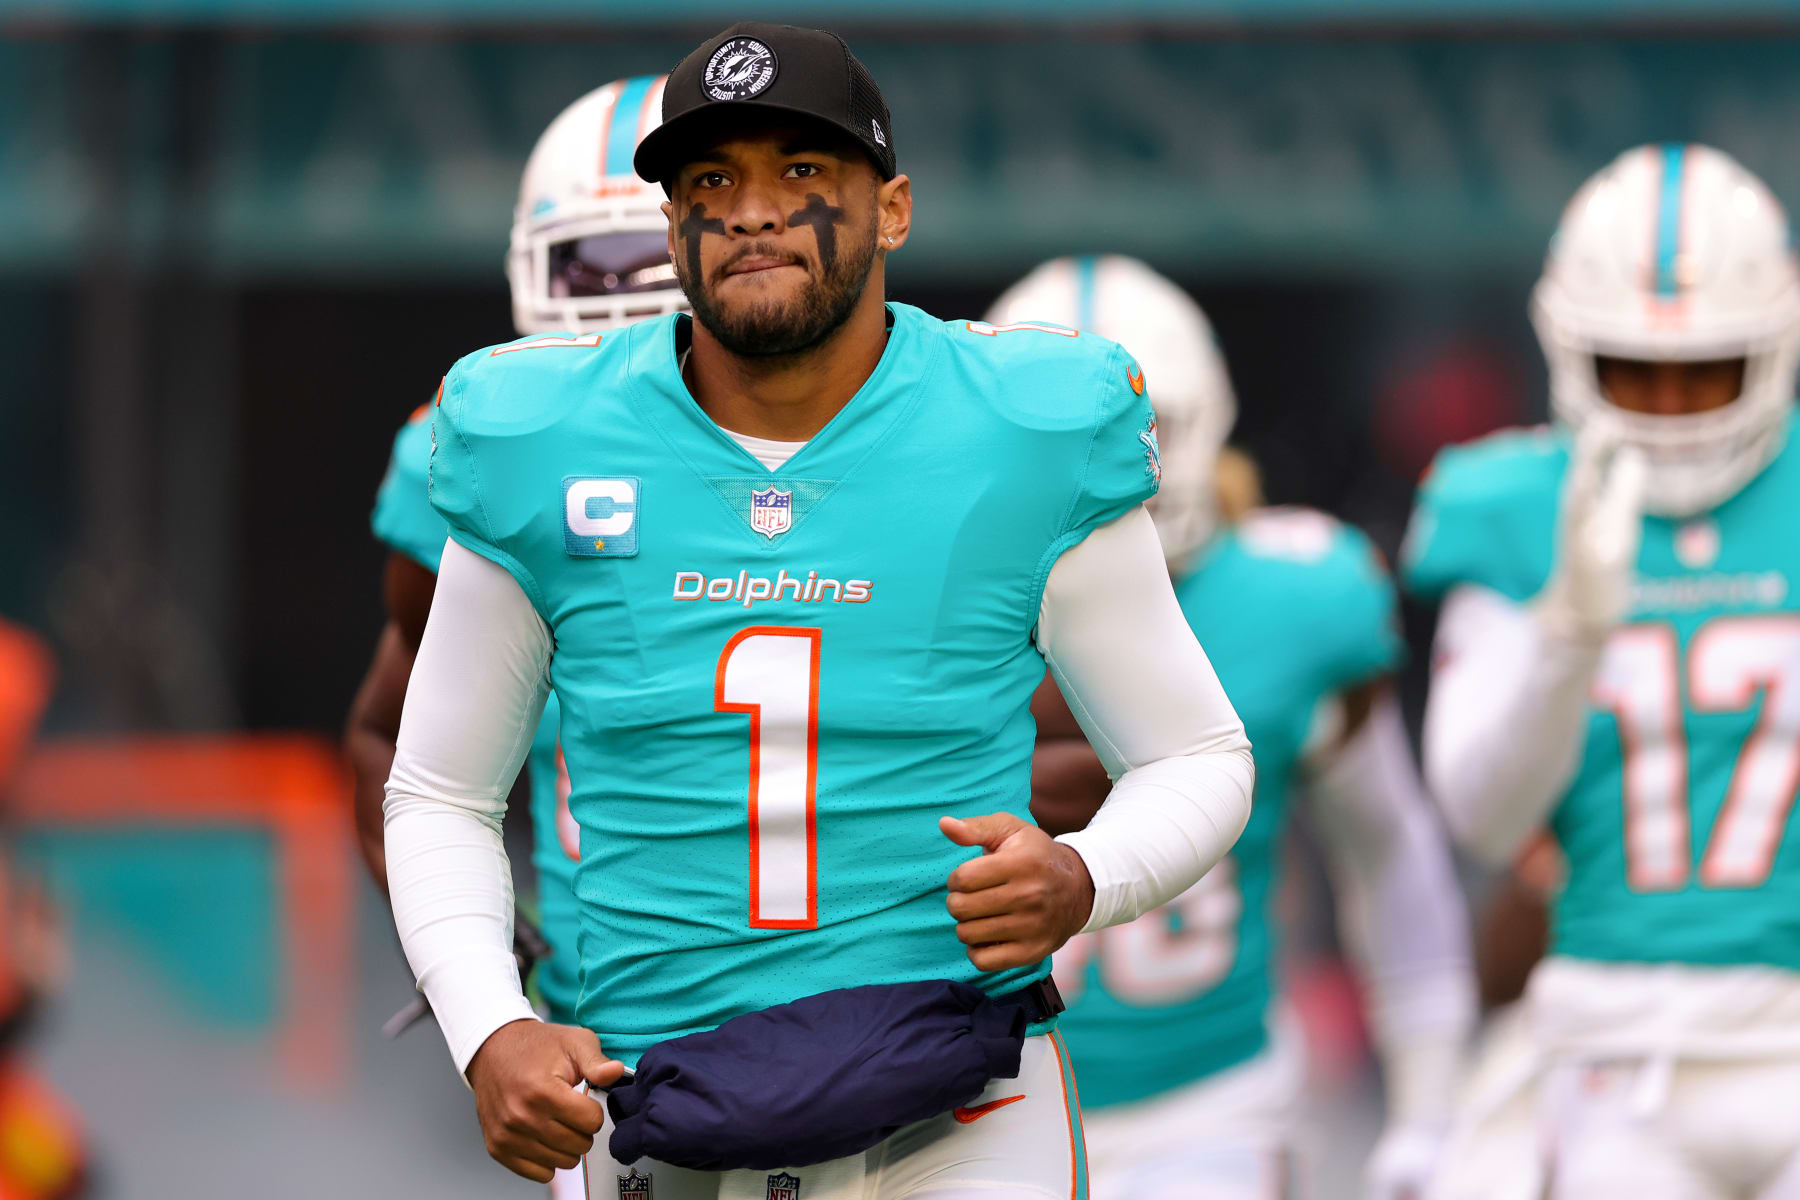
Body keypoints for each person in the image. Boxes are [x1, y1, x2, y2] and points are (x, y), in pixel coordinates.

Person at [382, 21, 1256, 1199]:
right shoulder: (546, 438)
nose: (751, 211)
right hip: (656, 1098)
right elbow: (440, 789)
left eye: (802, 173)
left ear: (892, 209)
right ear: (675, 222)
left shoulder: (1021, 429)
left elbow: (1197, 754)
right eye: (711, 181)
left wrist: (1085, 879)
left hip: (959, 1104)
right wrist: (488, 1025)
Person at [993, 256, 1473, 1200]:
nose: (1100, 462)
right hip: (975, 1106)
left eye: (1141, 427)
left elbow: (1388, 851)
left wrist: (1428, 1108)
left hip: (1207, 1113)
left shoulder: (1294, 599)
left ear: (1202, 427)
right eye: (1055, 437)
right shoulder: (918, 604)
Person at [1405, 143, 1800, 1199]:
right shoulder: (1514, 502)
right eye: (1635, 368)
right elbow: (1481, 814)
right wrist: (1569, 633)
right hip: (1615, 1046)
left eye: (1706, 369)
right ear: (1570, 347)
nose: (1671, 407)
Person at [342, 73, 686, 1200]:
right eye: (594, 267)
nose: (626, 303)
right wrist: (483, 987)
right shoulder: (467, 453)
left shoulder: (853, 431)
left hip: (851, 1001)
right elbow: (392, 742)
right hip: (610, 1023)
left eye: (654, 261)